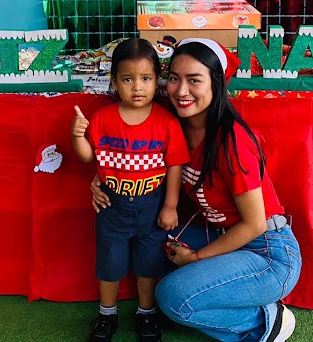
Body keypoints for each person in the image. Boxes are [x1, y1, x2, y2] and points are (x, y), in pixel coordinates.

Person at [92, 38, 302, 342]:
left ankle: (265, 320)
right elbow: (131, 153)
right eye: (174, 78)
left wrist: (197, 258)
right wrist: (102, 179)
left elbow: (254, 224)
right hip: (219, 235)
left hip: (267, 252)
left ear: (216, 83)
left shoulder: (232, 142)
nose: (181, 90)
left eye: (194, 80)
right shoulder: (174, 123)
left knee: (173, 297)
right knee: (156, 244)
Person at [72, 38, 190, 342]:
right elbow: (87, 157)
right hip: (111, 208)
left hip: (152, 209)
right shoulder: (102, 119)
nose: (137, 87)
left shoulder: (167, 122)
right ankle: (107, 314)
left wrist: (170, 206)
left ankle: (146, 313)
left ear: (157, 80)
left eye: (146, 78)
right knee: (110, 265)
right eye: (128, 79)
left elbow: (175, 166)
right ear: (114, 82)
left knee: (148, 266)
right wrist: (78, 137)